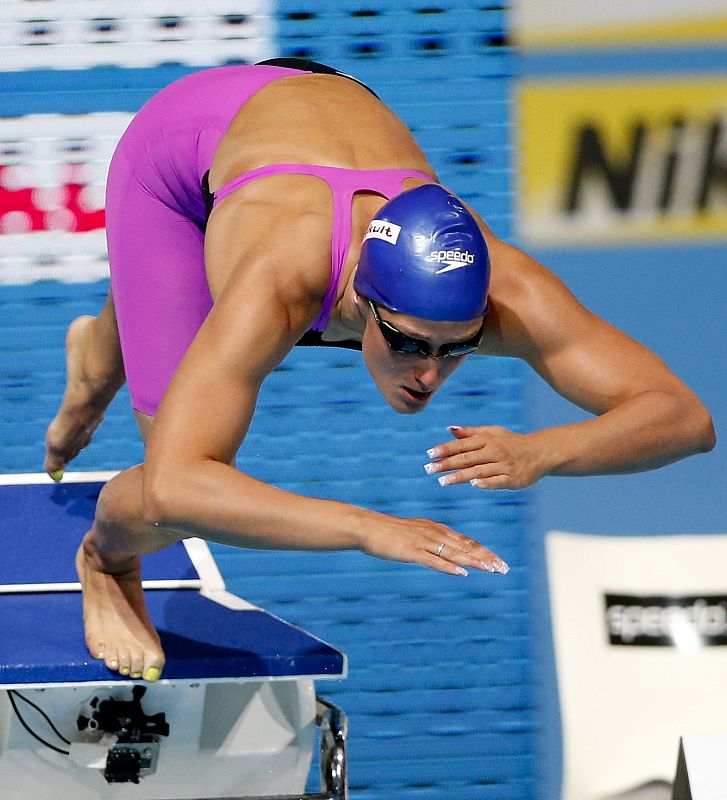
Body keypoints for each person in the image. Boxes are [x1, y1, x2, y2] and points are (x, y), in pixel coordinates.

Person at [44, 59, 715, 683]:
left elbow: (684, 417)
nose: (428, 374)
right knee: (177, 503)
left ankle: (98, 357)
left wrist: (545, 451)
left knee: (163, 335)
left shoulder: (510, 290)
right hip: (182, 141)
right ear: (362, 302)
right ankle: (105, 561)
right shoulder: (279, 286)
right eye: (408, 343)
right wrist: (368, 528)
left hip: (320, 112)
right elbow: (175, 488)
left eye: (458, 348)